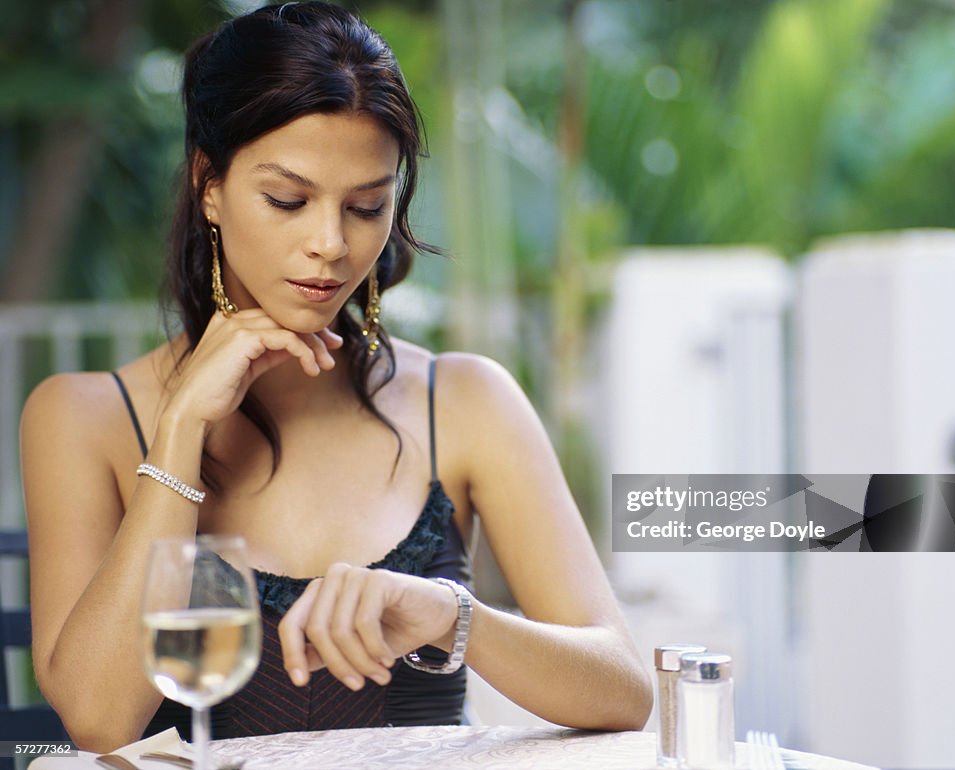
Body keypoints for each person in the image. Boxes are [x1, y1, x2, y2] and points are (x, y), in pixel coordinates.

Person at [20, 1, 651, 752]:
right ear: (209, 185)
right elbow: (95, 720)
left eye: (367, 206)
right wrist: (182, 429)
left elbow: (623, 689)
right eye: (288, 200)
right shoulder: (83, 416)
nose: (331, 244)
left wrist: (453, 615)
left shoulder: (464, 400)